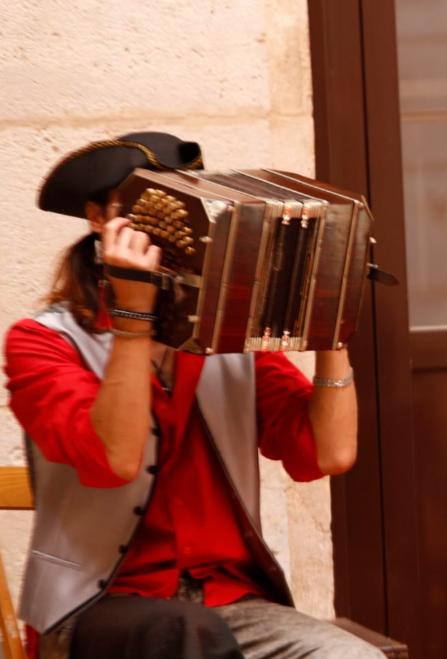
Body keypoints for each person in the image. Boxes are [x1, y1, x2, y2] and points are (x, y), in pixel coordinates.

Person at [4, 132, 385, 658]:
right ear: (98, 218)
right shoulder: (43, 341)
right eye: (148, 207)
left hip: (229, 601)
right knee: (187, 635)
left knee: (351, 655)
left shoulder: (230, 339)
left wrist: (331, 323)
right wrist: (134, 319)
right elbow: (116, 460)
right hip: (97, 607)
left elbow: (329, 454)